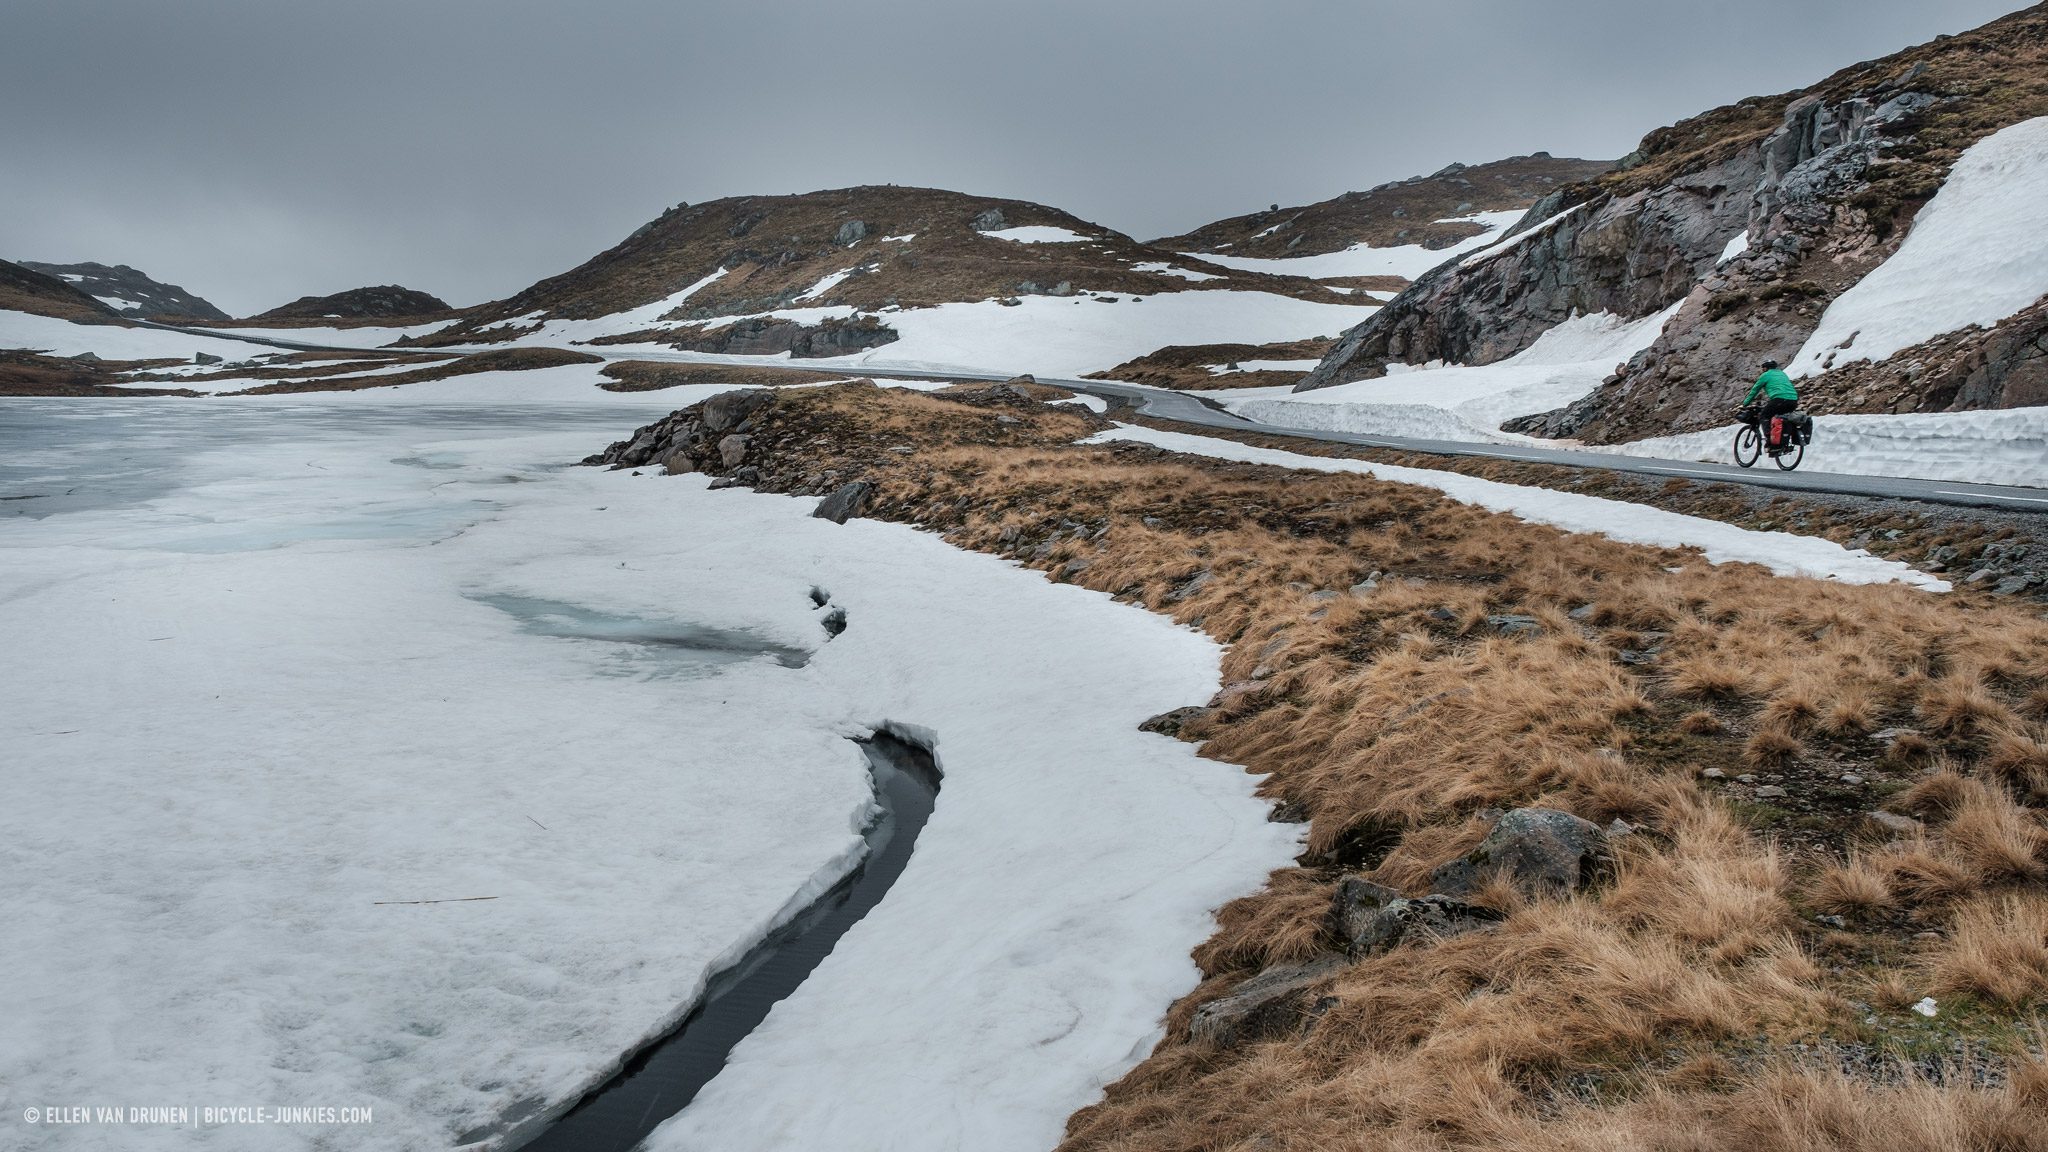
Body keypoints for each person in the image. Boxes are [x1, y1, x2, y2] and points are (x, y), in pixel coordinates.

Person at [1742, 359, 1799, 446]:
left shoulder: (1765, 375)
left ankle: (1770, 440)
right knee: (1781, 418)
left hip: (1779, 399)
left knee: (1764, 415)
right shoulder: (1782, 373)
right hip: (1793, 400)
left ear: (1765, 368)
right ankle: (1781, 442)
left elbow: (1754, 390)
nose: (1763, 369)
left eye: (1763, 368)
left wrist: (1745, 403)